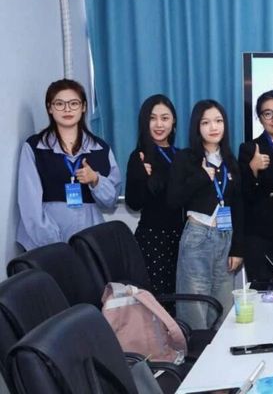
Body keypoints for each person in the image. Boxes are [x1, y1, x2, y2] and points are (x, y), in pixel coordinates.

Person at [17, 79, 121, 250]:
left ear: (84, 107)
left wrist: (95, 180)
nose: (67, 109)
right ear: (50, 108)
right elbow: (30, 205)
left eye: (74, 103)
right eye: (59, 104)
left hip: (89, 241)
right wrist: (54, 244)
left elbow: (109, 202)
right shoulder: (34, 147)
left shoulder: (101, 148)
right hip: (44, 241)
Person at [168, 100, 244, 329]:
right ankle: (197, 350)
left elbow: (239, 206)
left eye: (218, 121)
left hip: (226, 237)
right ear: (196, 127)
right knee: (194, 306)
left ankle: (220, 350)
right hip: (198, 236)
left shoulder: (230, 160)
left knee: (224, 306)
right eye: (206, 122)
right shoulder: (185, 158)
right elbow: (173, 200)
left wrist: (238, 248)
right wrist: (201, 177)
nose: (214, 127)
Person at [125, 95, 184, 296]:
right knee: (157, 300)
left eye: (165, 118)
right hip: (153, 240)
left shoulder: (182, 155)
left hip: (183, 238)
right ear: (145, 122)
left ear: (173, 122)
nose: (159, 124)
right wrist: (141, 177)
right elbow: (133, 203)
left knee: (181, 298)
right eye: (152, 118)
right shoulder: (139, 156)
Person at [238, 90, 273, 283]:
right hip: (263, 238)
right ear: (259, 118)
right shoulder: (249, 149)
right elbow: (244, 195)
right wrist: (252, 169)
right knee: (266, 294)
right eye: (268, 113)